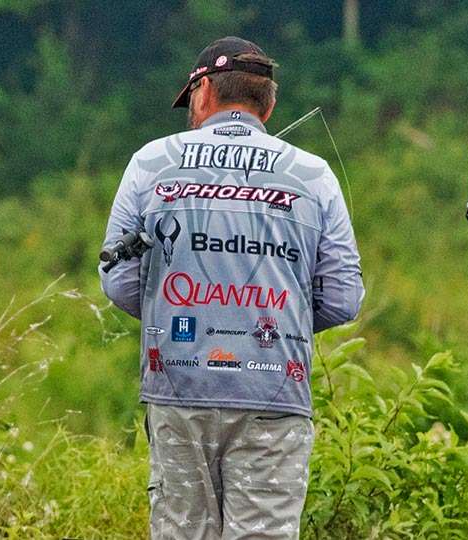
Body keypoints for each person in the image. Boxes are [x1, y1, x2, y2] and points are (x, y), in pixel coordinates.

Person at [100, 36, 364, 539]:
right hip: (274, 387)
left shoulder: (150, 164)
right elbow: (343, 298)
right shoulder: (315, 175)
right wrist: (271, 319)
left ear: (203, 93)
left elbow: (117, 278)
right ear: (270, 103)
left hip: (177, 384)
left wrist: (174, 307)